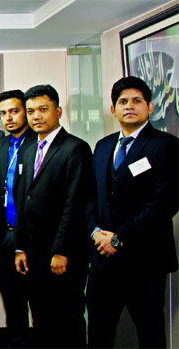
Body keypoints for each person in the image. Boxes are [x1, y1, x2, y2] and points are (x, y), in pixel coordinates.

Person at [86, 77, 178, 348]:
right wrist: (95, 232)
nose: (129, 106)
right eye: (122, 102)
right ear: (113, 110)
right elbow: (91, 197)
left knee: (150, 332)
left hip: (144, 259)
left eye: (137, 101)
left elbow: (164, 202)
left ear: (149, 107)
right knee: (100, 331)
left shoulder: (166, 145)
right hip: (103, 259)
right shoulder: (103, 146)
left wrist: (119, 238)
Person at [13, 84, 92, 347]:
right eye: (31, 111)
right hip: (33, 253)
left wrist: (62, 250)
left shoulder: (75, 148)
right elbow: (22, 200)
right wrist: (20, 247)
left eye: (43, 110)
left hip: (63, 254)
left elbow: (75, 203)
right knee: (41, 319)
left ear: (58, 111)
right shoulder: (26, 150)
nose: (36, 116)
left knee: (67, 319)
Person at [0, 89, 35, 348]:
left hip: (32, 238)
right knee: (13, 307)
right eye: (3, 113)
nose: (9, 118)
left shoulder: (39, 142)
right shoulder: (0, 146)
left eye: (14, 111)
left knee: (39, 306)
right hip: (2, 235)